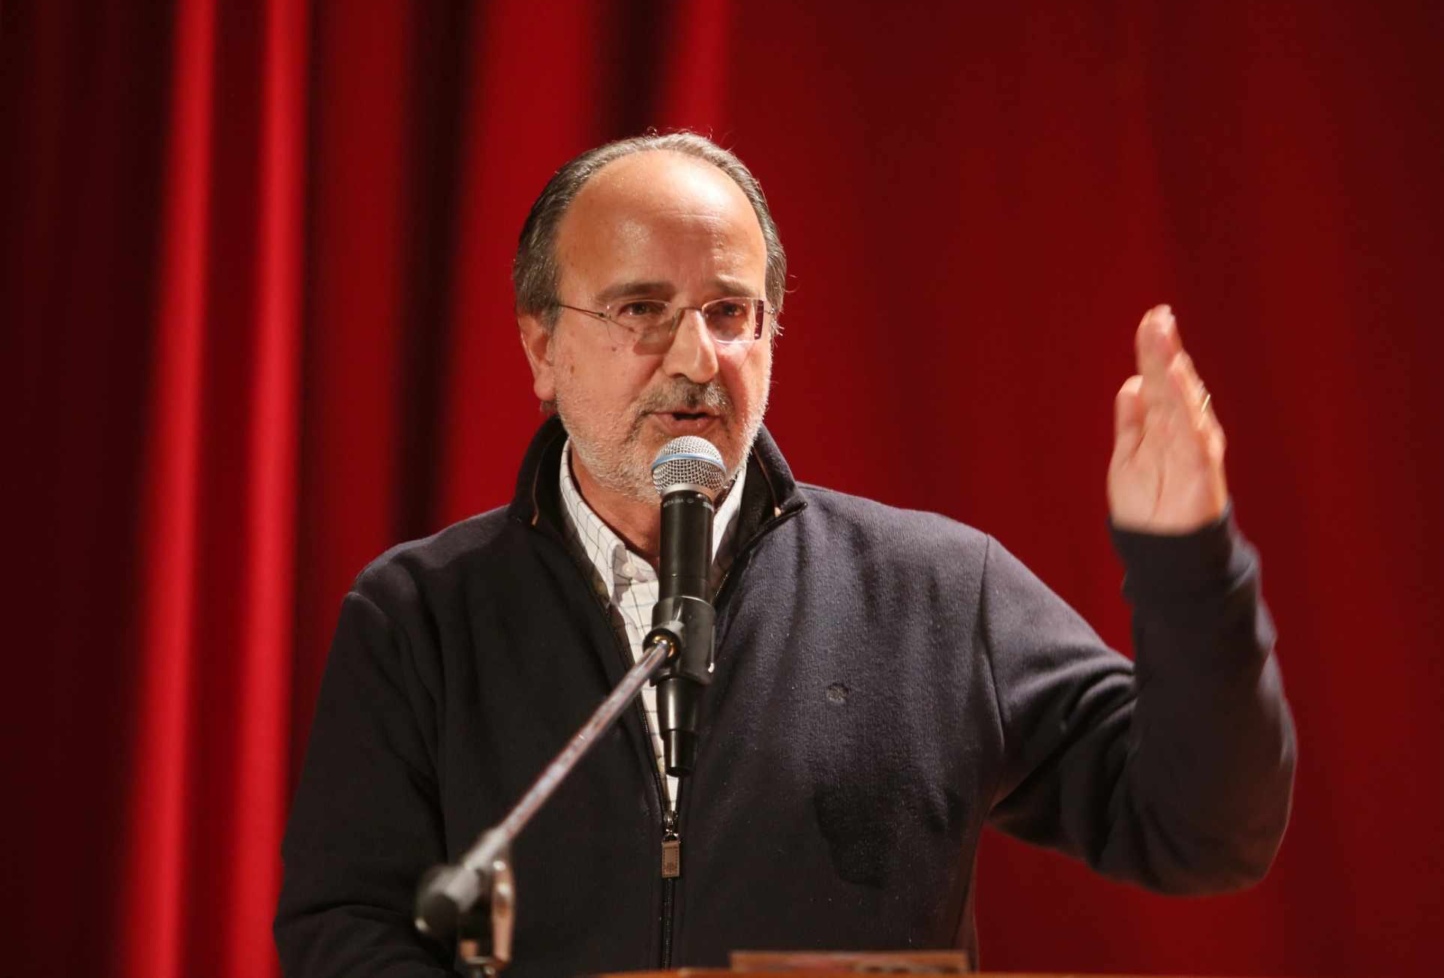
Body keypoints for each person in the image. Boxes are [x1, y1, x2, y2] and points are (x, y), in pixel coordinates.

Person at [274, 132, 1295, 977]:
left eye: (730, 313)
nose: (695, 357)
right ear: (542, 347)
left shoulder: (938, 594)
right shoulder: (419, 615)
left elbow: (1203, 830)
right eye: (641, 310)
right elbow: (342, 928)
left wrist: (1187, 565)